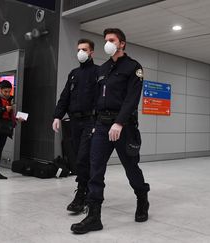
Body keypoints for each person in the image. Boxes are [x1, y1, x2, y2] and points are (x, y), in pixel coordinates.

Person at [71, 28, 150, 234]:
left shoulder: (133, 67)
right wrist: (94, 122)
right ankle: (94, 216)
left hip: (123, 127)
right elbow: (97, 97)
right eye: (106, 40)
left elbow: (132, 98)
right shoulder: (102, 69)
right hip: (102, 126)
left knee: (131, 168)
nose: (108, 43)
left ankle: (142, 198)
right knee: (95, 169)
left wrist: (120, 122)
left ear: (122, 43)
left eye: (112, 40)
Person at [52, 38, 98, 213]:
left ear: (91, 52)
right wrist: (57, 116)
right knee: (78, 158)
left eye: (84, 49)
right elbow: (65, 97)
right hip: (74, 122)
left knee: (84, 158)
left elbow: (101, 100)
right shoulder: (73, 74)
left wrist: (97, 121)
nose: (81, 52)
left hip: (90, 122)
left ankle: (82, 194)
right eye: (78, 49)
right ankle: (87, 190)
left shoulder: (98, 72)